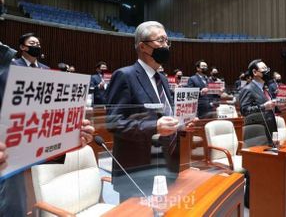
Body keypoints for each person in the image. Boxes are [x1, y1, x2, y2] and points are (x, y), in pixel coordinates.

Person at [0, 31, 94, 216]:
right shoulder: (12, 66)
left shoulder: (43, 68)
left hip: (30, 140)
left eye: (38, 42)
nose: (36, 45)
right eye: (31, 42)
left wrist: (67, 132)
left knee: (20, 199)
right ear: (22, 47)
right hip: (15, 139)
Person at [105, 21, 194, 201]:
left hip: (166, 164)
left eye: (167, 41)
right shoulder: (125, 75)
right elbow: (113, 122)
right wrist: (155, 126)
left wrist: (180, 126)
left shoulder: (161, 77)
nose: (166, 46)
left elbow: (166, 115)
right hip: (138, 169)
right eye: (161, 40)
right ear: (143, 46)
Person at [239, 59, 278, 143]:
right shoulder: (248, 89)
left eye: (267, 68)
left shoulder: (265, 88)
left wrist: (279, 106)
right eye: (264, 68)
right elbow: (244, 111)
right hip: (258, 132)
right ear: (255, 72)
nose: (267, 71)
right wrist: (264, 107)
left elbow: (270, 107)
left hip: (271, 127)